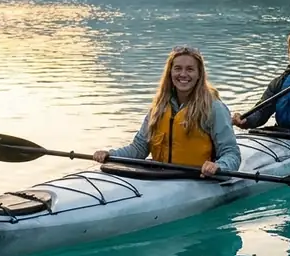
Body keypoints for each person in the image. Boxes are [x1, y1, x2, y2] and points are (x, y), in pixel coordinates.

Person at [93, 45, 241, 178]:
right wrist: (111, 154)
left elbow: (231, 153)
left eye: (190, 69)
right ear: (170, 72)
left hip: (198, 179)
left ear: (199, 74)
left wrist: (219, 166)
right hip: (160, 178)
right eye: (178, 68)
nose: (183, 74)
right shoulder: (159, 106)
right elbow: (139, 149)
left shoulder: (214, 108)